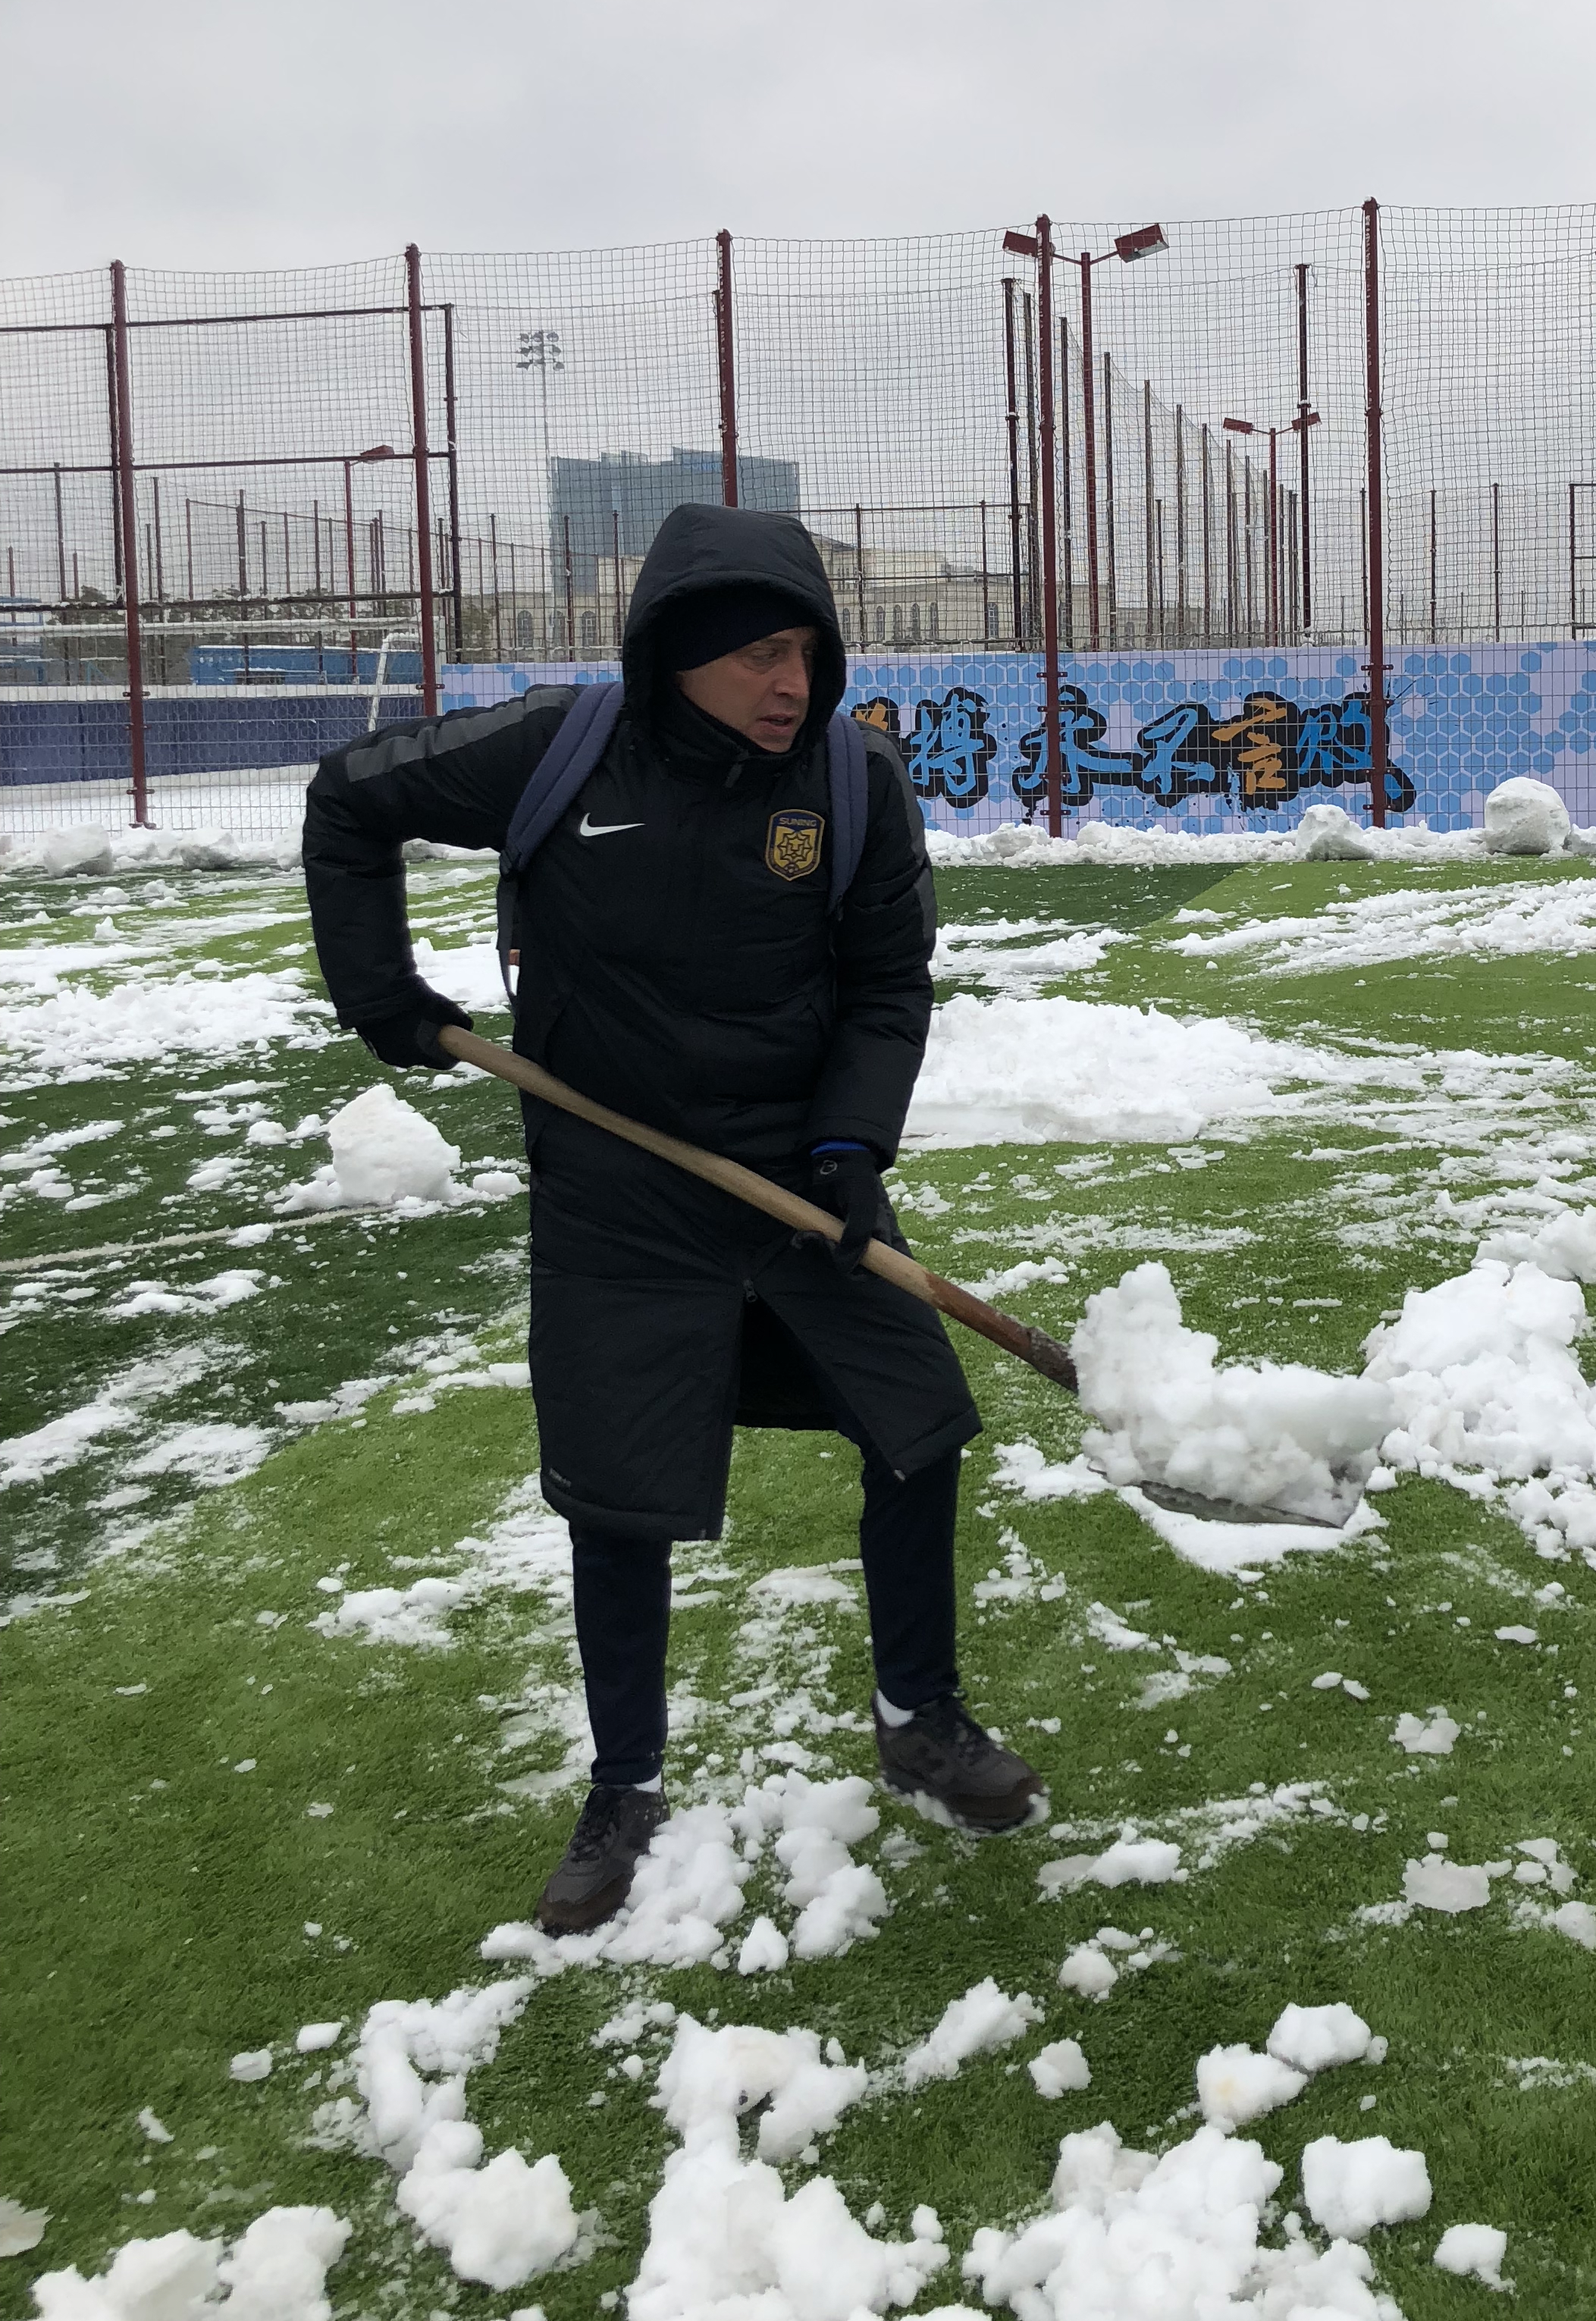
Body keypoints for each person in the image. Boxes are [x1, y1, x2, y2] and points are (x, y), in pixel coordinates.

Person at [303, 504, 1046, 1931]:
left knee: (919, 1429)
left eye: (807, 652)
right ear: (680, 652)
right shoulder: (558, 749)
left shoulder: (852, 777)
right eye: (760, 653)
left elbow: (888, 985)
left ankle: (920, 1715)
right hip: (615, 1193)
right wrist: (378, 988)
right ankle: (623, 1785)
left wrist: (847, 1145)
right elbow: (350, 798)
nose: (792, 683)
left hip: (797, 1181)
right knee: (615, 1496)